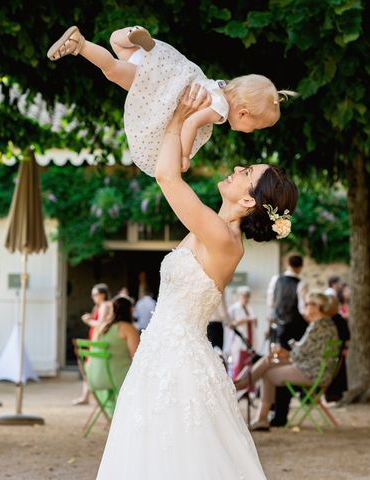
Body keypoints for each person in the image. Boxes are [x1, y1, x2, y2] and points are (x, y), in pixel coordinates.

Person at [95, 85, 298, 479]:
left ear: (249, 202)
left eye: (247, 174)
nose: (238, 169)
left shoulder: (223, 239)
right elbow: (177, 165)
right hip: (162, 355)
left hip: (178, 361)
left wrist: (176, 119)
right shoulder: (213, 226)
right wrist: (192, 120)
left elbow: (167, 178)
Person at [47, 25, 296, 174]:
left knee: (116, 43)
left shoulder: (222, 86)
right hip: (158, 86)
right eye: (255, 127)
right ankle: (79, 44)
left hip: (163, 65)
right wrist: (184, 155)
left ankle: (132, 33)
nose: (250, 132)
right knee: (112, 69)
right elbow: (189, 124)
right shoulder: (219, 108)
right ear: (242, 113)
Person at [235, 292, 340, 431]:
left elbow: (299, 354)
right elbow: (304, 352)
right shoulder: (327, 324)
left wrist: (285, 352)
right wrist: (287, 353)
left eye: (309, 304)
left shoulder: (317, 327)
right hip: (315, 369)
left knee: (268, 372)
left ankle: (256, 409)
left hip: (310, 371)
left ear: (317, 307)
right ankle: (244, 385)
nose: (306, 306)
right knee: (268, 360)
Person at [267, 254, 308, 427]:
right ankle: (285, 410)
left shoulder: (276, 280)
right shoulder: (302, 283)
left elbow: (271, 303)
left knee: (277, 364)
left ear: (287, 264)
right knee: (291, 366)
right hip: (296, 330)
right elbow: (302, 308)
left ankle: (278, 413)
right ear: (301, 266)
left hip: (279, 329)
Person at [86, 296, 140, 396]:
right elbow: (137, 358)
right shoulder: (127, 328)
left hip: (96, 376)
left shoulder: (102, 327)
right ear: (129, 310)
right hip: (118, 377)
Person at [74, 283, 112, 406]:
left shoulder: (105, 305)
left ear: (102, 294)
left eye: (95, 294)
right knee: (89, 366)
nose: (93, 297)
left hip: (98, 340)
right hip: (94, 339)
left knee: (90, 366)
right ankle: (85, 396)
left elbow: (101, 324)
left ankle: (88, 396)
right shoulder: (98, 307)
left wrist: (88, 321)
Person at [227, 285, 258, 380]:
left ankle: (248, 389)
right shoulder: (234, 309)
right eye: (244, 296)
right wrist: (245, 320)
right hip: (238, 341)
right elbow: (230, 324)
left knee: (248, 364)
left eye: (247, 296)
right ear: (240, 296)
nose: (246, 298)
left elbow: (254, 324)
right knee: (238, 364)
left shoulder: (250, 309)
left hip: (249, 341)